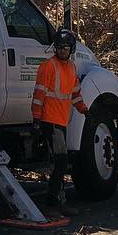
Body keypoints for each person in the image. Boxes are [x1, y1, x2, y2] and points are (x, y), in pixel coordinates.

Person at [31, 27, 89, 213]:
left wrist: (84, 110)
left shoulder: (71, 67)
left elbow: (75, 94)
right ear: (55, 48)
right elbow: (39, 95)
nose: (62, 50)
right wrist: (36, 119)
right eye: (59, 47)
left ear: (71, 49)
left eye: (66, 48)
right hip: (50, 120)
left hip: (62, 121)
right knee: (61, 161)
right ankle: (53, 203)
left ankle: (58, 200)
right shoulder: (48, 66)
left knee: (60, 162)